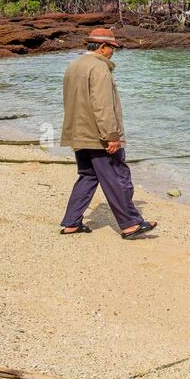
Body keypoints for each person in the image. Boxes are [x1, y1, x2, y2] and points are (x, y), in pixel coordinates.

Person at [58, 27, 157, 239]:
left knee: (87, 176)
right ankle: (130, 224)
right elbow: (103, 105)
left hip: (79, 133)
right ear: (102, 48)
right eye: (112, 48)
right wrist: (111, 136)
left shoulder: (73, 66)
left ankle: (71, 223)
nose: (113, 52)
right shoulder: (99, 68)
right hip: (98, 135)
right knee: (117, 176)